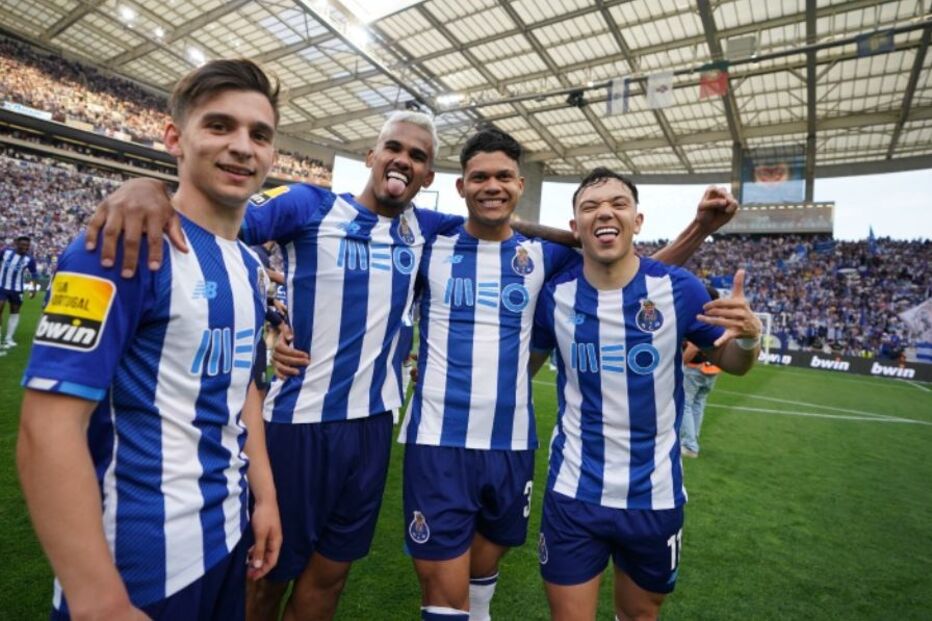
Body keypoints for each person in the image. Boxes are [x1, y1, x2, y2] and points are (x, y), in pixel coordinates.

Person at [82, 117, 738, 621]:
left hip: (421, 435)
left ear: (432, 176)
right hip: (327, 426)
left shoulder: (500, 248)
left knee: (341, 578)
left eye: (418, 155)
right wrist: (151, 187)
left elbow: (627, 274)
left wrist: (655, 230)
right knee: (269, 568)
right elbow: (229, 219)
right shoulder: (364, 219)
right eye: (395, 148)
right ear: (379, 158)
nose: (403, 161)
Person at [16, 59, 282, 621]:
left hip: (226, 538)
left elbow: (243, 391)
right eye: (219, 126)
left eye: (259, 135)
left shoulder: (251, 266)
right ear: (174, 139)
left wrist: (266, 496)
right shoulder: (122, 246)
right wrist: (97, 600)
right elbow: (47, 426)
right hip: (138, 568)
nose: (242, 147)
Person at [529, 168, 761, 621]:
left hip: (653, 495)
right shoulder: (555, 296)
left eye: (618, 204)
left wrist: (750, 337)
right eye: (590, 207)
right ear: (576, 229)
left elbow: (734, 363)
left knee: (638, 616)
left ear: (637, 220)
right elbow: (523, 369)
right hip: (574, 492)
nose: (605, 213)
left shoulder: (679, 289)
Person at [680, 285, 724, 458]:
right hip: (712, 369)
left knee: (685, 404)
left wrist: (679, 365)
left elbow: (692, 346)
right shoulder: (718, 319)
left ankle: (690, 445)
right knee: (698, 404)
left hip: (695, 368)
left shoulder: (701, 318)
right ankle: (693, 439)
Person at [0, 235, 39, 347]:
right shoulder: (6, 252)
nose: (25, 248)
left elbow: (34, 275)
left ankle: (9, 338)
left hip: (17, 289)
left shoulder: (30, 259)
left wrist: (33, 290)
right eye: (22, 245)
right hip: (2, 285)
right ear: (17, 244)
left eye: (27, 246)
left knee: (15, 312)